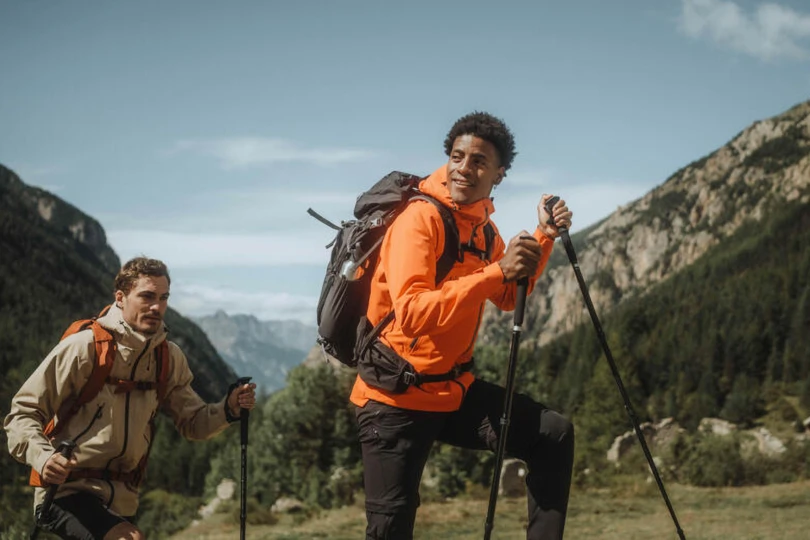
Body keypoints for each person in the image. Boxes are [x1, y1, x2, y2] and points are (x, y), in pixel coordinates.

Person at [350, 111, 575, 539]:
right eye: (458, 156)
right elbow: (412, 313)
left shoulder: (484, 231)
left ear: (499, 175)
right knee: (390, 529)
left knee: (552, 434)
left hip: (451, 392)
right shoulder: (420, 219)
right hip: (393, 398)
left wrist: (543, 237)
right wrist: (496, 272)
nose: (464, 168)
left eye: (478, 161)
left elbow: (509, 296)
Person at [4, 256, 257, 540]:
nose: (157, 307)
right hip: (64, 492)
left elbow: (193, 422)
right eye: (147, 296)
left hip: (123, 500)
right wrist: (44, 457)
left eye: (163, 298)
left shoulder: (167, 357)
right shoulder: (84, 348)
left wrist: (228, 409)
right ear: (121, 297)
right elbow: (22, 414)